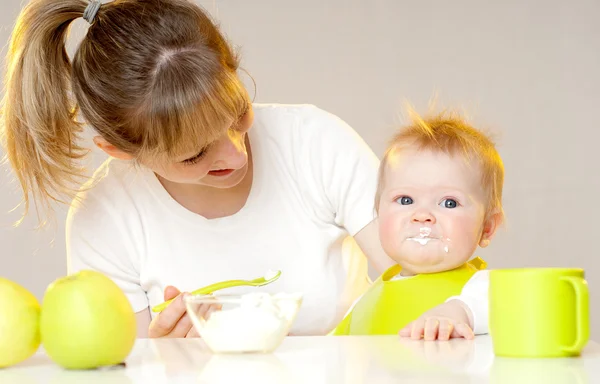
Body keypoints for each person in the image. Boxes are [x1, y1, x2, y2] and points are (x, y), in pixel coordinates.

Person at [0, 0, 488, 339]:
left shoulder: (315, 142)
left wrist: (463, 307)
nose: (235, 155)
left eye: (239, 116)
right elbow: (121, 367)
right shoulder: (104, 218)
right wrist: (163, 353)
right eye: (194, 155)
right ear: (121, 151)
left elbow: (416, 279)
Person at [331, 107, 503, 340]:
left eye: (449, 203)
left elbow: (512, 306)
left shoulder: (483, 290)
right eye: (405, 200)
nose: (422, 215)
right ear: (378, 213)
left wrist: (459, 313)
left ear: (487, 227)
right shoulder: (365, 300)